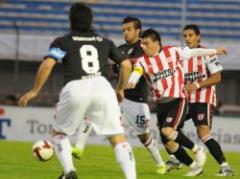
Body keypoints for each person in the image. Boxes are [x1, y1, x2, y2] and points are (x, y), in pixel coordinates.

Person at [18, 3, 136, 179]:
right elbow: (126, 65)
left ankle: (69, 172)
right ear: (91, 21)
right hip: (102, 87)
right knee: (117, 138)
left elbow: (48, 63)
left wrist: (35, 91)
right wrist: (120, 89)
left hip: (75, 87)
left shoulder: (63, 41)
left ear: (71, 20)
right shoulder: (105, 42)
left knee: (59, 134)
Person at [126, 28, 228, 176]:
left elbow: (194, 52)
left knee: (168, 131)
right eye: (142, 44)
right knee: (168, 142)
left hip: (177, 99)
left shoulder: (172, 52)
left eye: (146, 43)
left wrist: (215, 51)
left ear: (156, 43)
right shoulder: (142, 61)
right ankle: (194, 166)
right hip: (161, 104)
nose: (143, 46)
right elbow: (136, 72)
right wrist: (131, 81)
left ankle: (197, 150)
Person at [72, 16, 166, 174]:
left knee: (144, 137)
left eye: (129, 30)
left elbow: (137, 64)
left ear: (138, 31)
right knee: (92, 112)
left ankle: (160, 163)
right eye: (123, 30)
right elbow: (113, 70)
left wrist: (122, 65)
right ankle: (78, 147)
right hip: (117, 94)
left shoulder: (144, 48)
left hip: (137, 99)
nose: (125, 33)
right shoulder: (120, 48)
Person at [180, 24, 233, 176]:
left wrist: (196, 85)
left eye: (190, 35)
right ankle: (176, 157)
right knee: (171, 128)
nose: (187, 39)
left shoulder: (208, 54)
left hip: (203, 98)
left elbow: (217, 77)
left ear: (198, 36)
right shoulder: (183, 55)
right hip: (186, 99)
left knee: (203, 133)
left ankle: (225, 167)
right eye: (185, 36)